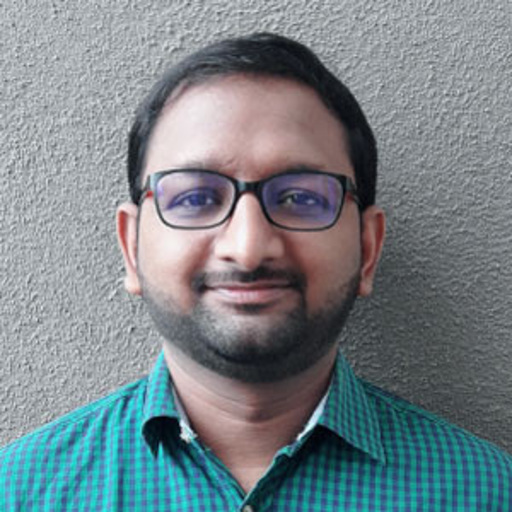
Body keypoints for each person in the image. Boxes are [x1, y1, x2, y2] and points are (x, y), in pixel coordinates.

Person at [1, 32, 511, 511]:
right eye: (196, 197)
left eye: (300, 197)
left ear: (367, 247)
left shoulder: (487, 493)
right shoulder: (21, 493)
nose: (247, 249)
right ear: (132, 248)